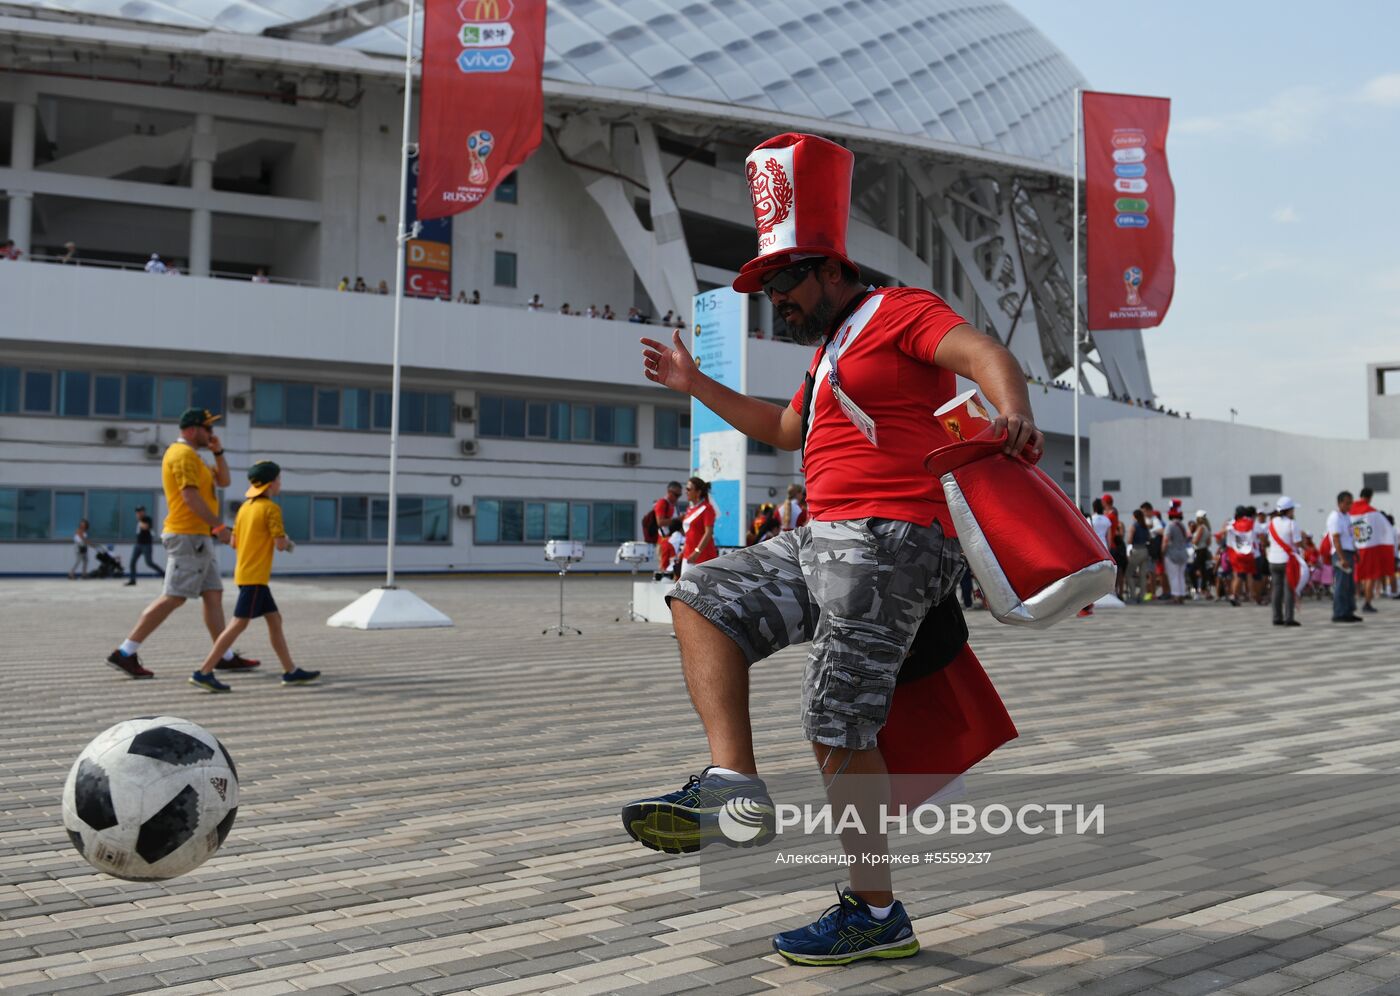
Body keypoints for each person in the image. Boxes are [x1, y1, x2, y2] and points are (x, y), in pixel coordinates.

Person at [625, 132, 1041, 967]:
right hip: (822, 537)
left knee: (834, 718)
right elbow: (786, 430)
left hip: (892, 539)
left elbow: (982, 352)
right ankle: (734, 787)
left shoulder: (898, 313)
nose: (776, 302)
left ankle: (875, 911)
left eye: (784, 284)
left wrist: (1012, 411)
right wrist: (694, 384)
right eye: (768, 290)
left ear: (830, 270)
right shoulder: (828, 354)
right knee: (698, 597)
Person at [104, 408, 260, 678]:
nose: (211, 433)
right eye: (207, 428)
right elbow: (190, 497)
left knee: (213, 594)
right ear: (191, 430)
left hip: (198, 537)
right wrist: (219, 527)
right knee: (174, 596)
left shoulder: (197, 457)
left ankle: (224, 656)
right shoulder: (182, 455)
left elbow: (224, 481)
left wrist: (218, 452)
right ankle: (125, 652)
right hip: (187, 536)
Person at [191, 462, 320, 692]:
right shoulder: (271, 509)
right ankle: (204, 672)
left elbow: (234, 542)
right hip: (256, 578)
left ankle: (290, 671)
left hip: (246, 574)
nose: (280, 484)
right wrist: (287, 542)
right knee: (238, 624)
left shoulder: (245, 508)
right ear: (270, 484)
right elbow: (280, 544)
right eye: (279, 479)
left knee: (275, 620)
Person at [1350, 486, 1394, 613]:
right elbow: (1385, 529)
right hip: (1370, 548)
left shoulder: (1350, 510)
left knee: (1356, 575)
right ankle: (1367, 603)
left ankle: (1353, 600)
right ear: (1370, 497)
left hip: (1354, 548)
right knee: (1370, 576)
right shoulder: (1373, 512)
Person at [1267, 497, 1303, 627]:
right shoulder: (1292, 523)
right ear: (1289, 510)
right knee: (1289, 589)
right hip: (1287, 560)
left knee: (1276, 589)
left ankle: (1276, 617)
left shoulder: (1272, 522)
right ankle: (1289, 618)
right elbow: (1297, 543)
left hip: (1273, 559)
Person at [1327, 491, 1361, 623]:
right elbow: (1336, 539)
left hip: (1349, 552)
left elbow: (1351, 536)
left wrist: (1356, 551)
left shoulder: (1347, 516)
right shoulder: (1335, 517)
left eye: (1351, 503)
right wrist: (1342, 558)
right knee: (1341, 584)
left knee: (1349, 585)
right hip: (1340, 553)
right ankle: (1339, 613)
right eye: (1347, 503)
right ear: (1339, 503)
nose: (1349, 506)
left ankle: (1348, 611)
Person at [678, 476, 717, 573]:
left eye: (689, 489)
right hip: (688, 555)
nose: (686, 492)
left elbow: (708, 533)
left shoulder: (707, 508)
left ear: (698, 492)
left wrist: (697, 552)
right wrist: (683, 551)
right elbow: (689, 534)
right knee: (684, 583)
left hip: (703, 557)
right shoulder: (689, 509)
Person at [1223, 505, 1256, 607]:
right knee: (1243, 575)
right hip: (1244, 553)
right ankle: (1236, 595)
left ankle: (1235, 595)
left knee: (1237, 575)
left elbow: (1223, 533)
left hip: (1232, 553)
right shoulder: (1249, 523)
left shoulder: (1232, 523)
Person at [125, 506, 162, 586]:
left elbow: (145, 527)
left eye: (139, 511)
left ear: (143, 512)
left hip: (146, 545)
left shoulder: (147, 519)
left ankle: (164, 575)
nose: (138, 513)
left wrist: (140, 520)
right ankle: (132, 580)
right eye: (137, 512)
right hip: (138, 544)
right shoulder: (139, 521)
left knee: (149, 563)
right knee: (132, 562)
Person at [1162, 506, 1190, 605]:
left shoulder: (1170, 526)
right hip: (1183, 553)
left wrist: (1162, 551)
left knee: (1173, 576)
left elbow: (1166, 540)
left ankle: (1175, 596)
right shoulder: (1182, 526)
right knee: (1181, 576)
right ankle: (1181, 595)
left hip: (1172, 553)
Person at [1102, 493, 1127, 599]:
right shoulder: (1112, 515)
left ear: (1105, 502)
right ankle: (1117, 592)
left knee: (1116, 570)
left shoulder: (1110, 516)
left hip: (1113, 546)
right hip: (1115, 545)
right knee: (1117, 570)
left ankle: (1115, 592)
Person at [1126, 508, 1152, 603]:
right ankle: (1142, 596)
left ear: (1135, 516)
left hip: (1136, 550)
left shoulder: (1134, 526)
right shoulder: (1145, 526)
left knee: (1128, 574)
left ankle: (1133, 595)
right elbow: (1149, 538)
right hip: (1145, 550)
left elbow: (1129, 540)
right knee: (1142, 575)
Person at [1188, 511, 1213, 599]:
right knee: (1203, 571)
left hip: (1199, 551)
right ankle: (1204, 589)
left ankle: (1196, 590)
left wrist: (1190, 537)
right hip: (1204, 550)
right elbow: (1209, 542)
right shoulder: (1207, 528)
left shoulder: (1201, 528)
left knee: (1191, 571)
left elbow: (1195, 541)